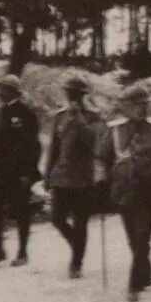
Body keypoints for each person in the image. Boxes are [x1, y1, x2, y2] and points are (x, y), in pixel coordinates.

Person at [94, 85, 151, 302]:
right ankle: (145, 271)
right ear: (125, 107)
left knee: (142, 236)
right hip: (123, 190)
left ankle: (133, 285)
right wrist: (101, 177)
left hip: (148, 191)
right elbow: (102, 158)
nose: (141, 109)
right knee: (134, 238)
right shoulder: (114, 130)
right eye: (136, 105)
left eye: (144, 105)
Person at [44, 75, 103, 279]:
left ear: (83, 96)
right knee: (57, 219)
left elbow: (93, 143)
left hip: (82, 178)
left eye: (76, 94)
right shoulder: (60, 116)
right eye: (70, 93)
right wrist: (47, 175)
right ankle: (77, 247)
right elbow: (54, 148)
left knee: (80, 222)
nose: (72, 98)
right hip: (61, 175)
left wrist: (79, 121)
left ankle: (76, 262)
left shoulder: (93, 117)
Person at [0, 74, 42, 267]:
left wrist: (28, 172)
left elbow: (33, 145)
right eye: (0, 88)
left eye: (4, 89)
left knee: (21, 211)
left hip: (18, 171)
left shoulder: (26, 112)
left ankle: (23, 251)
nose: (0, 92)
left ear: (13, 91)